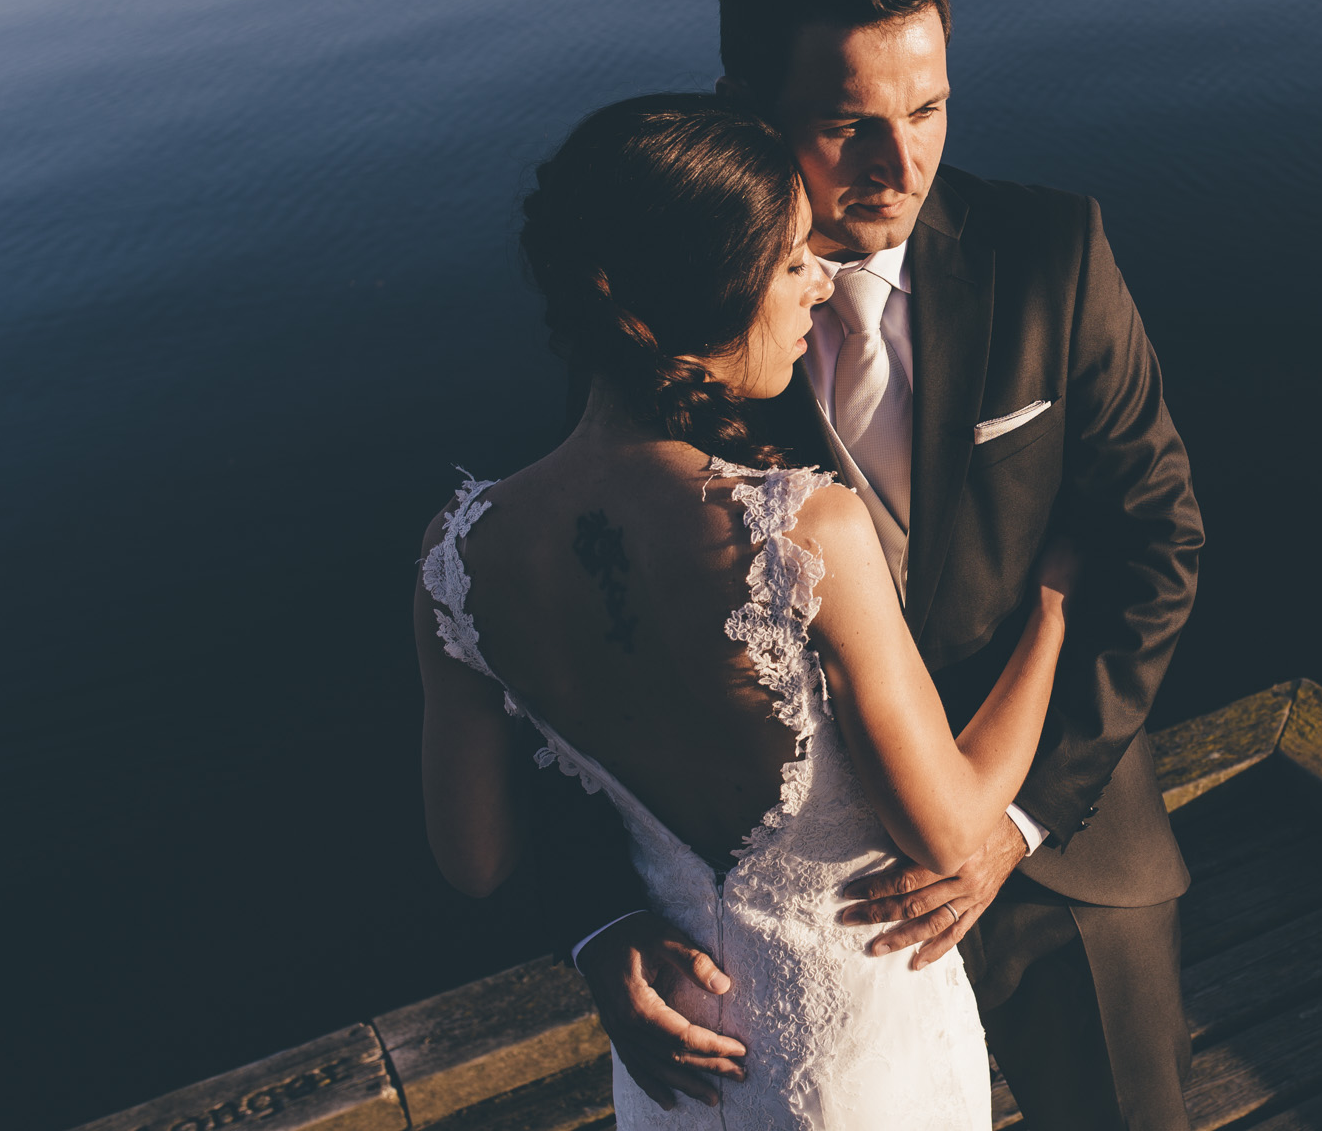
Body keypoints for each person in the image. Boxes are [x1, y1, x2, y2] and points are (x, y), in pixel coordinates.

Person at [569, 0, 1205, 1131]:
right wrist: (599, 922)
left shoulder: (1050, 254)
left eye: (926, 111)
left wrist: (1013, 822)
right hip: (794, 931)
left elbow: (1158, 540)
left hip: (1057, 851)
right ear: (746, 109)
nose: (900, 163)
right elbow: (578, 625)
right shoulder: (672, 317)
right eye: (847, 123)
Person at [414, 96, 1076, 1128]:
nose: (821, 279)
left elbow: (475, 858)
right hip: (856, 1058)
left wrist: (609, 925)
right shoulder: (800, 532)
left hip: (679, 1063)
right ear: (704, 294)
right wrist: (1051, 617)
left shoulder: (456, 555)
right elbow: (947, 827)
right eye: (788, 262)